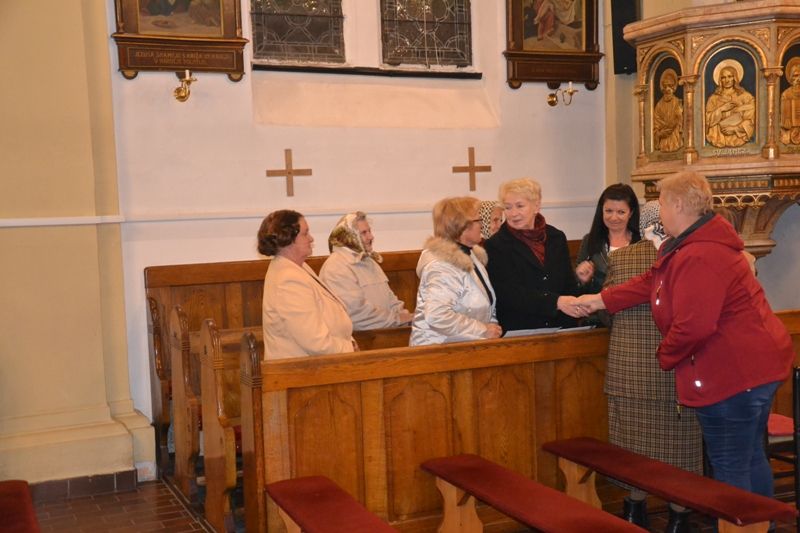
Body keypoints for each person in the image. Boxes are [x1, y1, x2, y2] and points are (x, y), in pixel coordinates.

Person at [578, 171, 793, 500]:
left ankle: (743, 523)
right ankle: (761, 523)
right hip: (753, 368)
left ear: (678, 205)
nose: (660, 212)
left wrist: (664, 355)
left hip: (733, 375)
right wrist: (601, 300)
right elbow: (653, 281)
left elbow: (694, 326)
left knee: (731, 464)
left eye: (662, 204)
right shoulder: (691, 244)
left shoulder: (700, 253)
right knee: (749, 458)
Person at [604, 200, 702, 531]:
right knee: (680, 449)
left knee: (633, 450)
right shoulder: (687, 258)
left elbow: (607, 310)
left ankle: (635, 510)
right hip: (676, 370)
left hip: (630, 372)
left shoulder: (621, 258)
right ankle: (678, 516)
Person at [484, 178, 584, 331]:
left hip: (561, 325)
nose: (513, 213)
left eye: (520, 206)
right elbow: (508, 293)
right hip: (521, 329)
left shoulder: (556, 237)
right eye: (508, 207)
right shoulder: (496, 245)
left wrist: (577, 297)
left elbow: (567, 283)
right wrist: (555, 302)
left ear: (536, 206)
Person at [257, 209, 356, 359]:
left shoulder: (298, 267)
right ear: (288, 239)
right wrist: (349, 348)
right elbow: (316, 342)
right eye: (305, 234)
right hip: (301, 369)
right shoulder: (288, 280)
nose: (311, 238)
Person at [410, 197, 502, 346]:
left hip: (463, 347)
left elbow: (487, 302)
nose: (482, 224)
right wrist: (482, 330)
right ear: (461, 226)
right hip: (436, 350)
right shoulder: (442, 266)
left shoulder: (471, 255)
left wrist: (492, 326)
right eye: (478, 220)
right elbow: (437, 316)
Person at [319, 212, 413, 330]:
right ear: (348, 236)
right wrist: (397, 319)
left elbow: (390, 299)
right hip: (361, 338)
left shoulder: (369, 262)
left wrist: (405, 317)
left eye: (369, 231)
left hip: (386, 333)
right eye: (364, 233)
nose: (371, 237)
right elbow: (357, 314)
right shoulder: (336, 267)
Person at [574, 183, 641, 294]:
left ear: (631, 213)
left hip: (634, 303)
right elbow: (577, 290)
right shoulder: (590, 240)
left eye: (621, 212)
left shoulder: (642, 242)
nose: (614, 218)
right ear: (602, 211)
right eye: (609, 211)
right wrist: (582, 280)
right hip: (598, 303)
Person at [705, 62, 755, 148]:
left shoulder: (745, 96)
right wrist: (721, 109)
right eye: (723, 77)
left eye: (730, 76)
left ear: (735, 78)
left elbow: (752, 119)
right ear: (720, 80)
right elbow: (707, 120)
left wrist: (735, 128)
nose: (727, 80)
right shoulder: (713, 99)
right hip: (718, 137)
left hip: (738, 137)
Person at [653, 69, 683, 152]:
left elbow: (679, 120)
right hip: (663, 140)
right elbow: (656, 123)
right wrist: (659, 133)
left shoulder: (677, 102)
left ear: (674, 87)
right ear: (663, 88)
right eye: (665, 86)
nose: (667, 89)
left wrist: (678, 118)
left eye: (670, 86)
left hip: (675, 138)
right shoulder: (659, 105)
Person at [780, 60, 800, 145]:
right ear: (791, 78)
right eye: (796, 75)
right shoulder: (786, 94)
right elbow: (784, 117)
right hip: (791, 129)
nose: (799, 79)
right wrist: (786, 120)